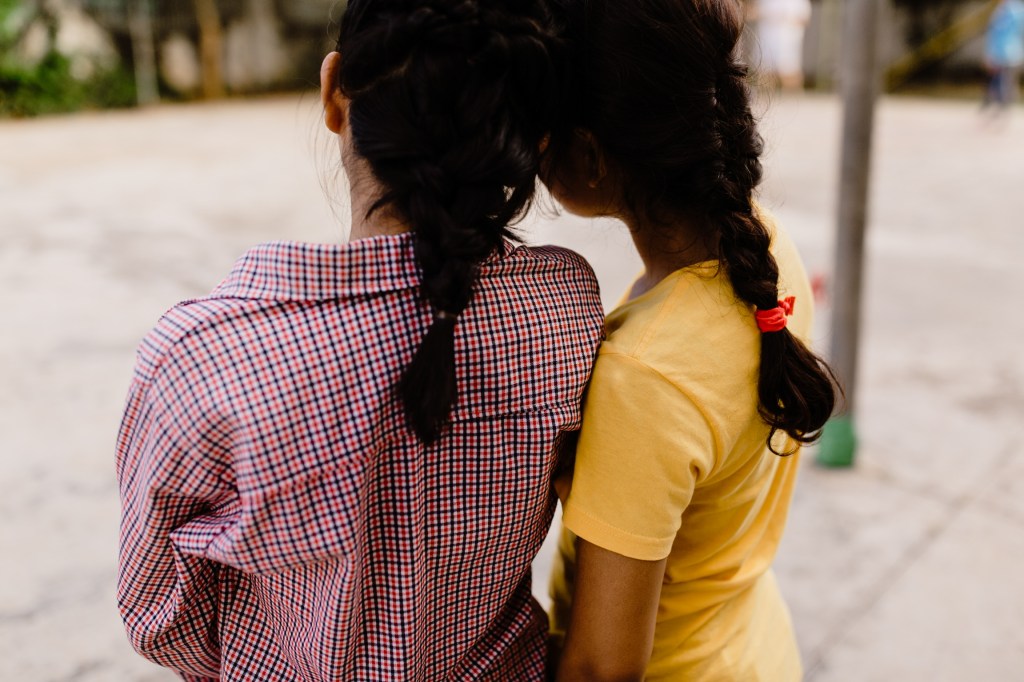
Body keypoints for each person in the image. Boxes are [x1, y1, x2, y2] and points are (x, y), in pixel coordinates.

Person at [115, 1, 605, 679]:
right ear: (532, 139)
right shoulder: (566, 305)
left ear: (333, 93)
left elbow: (158, 614)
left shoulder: (204, 356)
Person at [542, 0, 838, 680]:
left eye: (541, 127)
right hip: (754, 649)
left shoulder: (647, 375)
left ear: (589, 153)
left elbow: (601, 666)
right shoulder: (762, 247)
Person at [753, 0, 812, 90]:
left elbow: (804, 18)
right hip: (767, 40)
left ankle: (793, 98)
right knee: (766, 71)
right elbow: (755, 12)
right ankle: (765, 98)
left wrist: (787, 20)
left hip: (788, 40)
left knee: (790, 71)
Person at [983, 0, 1024, 112]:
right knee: (1000, 79)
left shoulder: (1014, 10)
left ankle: (1003, 101)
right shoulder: (1002, 10)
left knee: (1004, 79)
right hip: (1003, 52)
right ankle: (1000, 100)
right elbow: (994, 34)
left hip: (1009, 52)